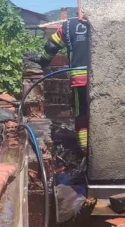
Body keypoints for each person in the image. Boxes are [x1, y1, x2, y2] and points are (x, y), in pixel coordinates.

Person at [25, 15, 90, 153]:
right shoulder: (107, 22)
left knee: (82, 112)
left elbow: (52, 45)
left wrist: (43, 60)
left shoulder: (69, 25)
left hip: (80, 77)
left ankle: (84, 149)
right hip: (105, 79)